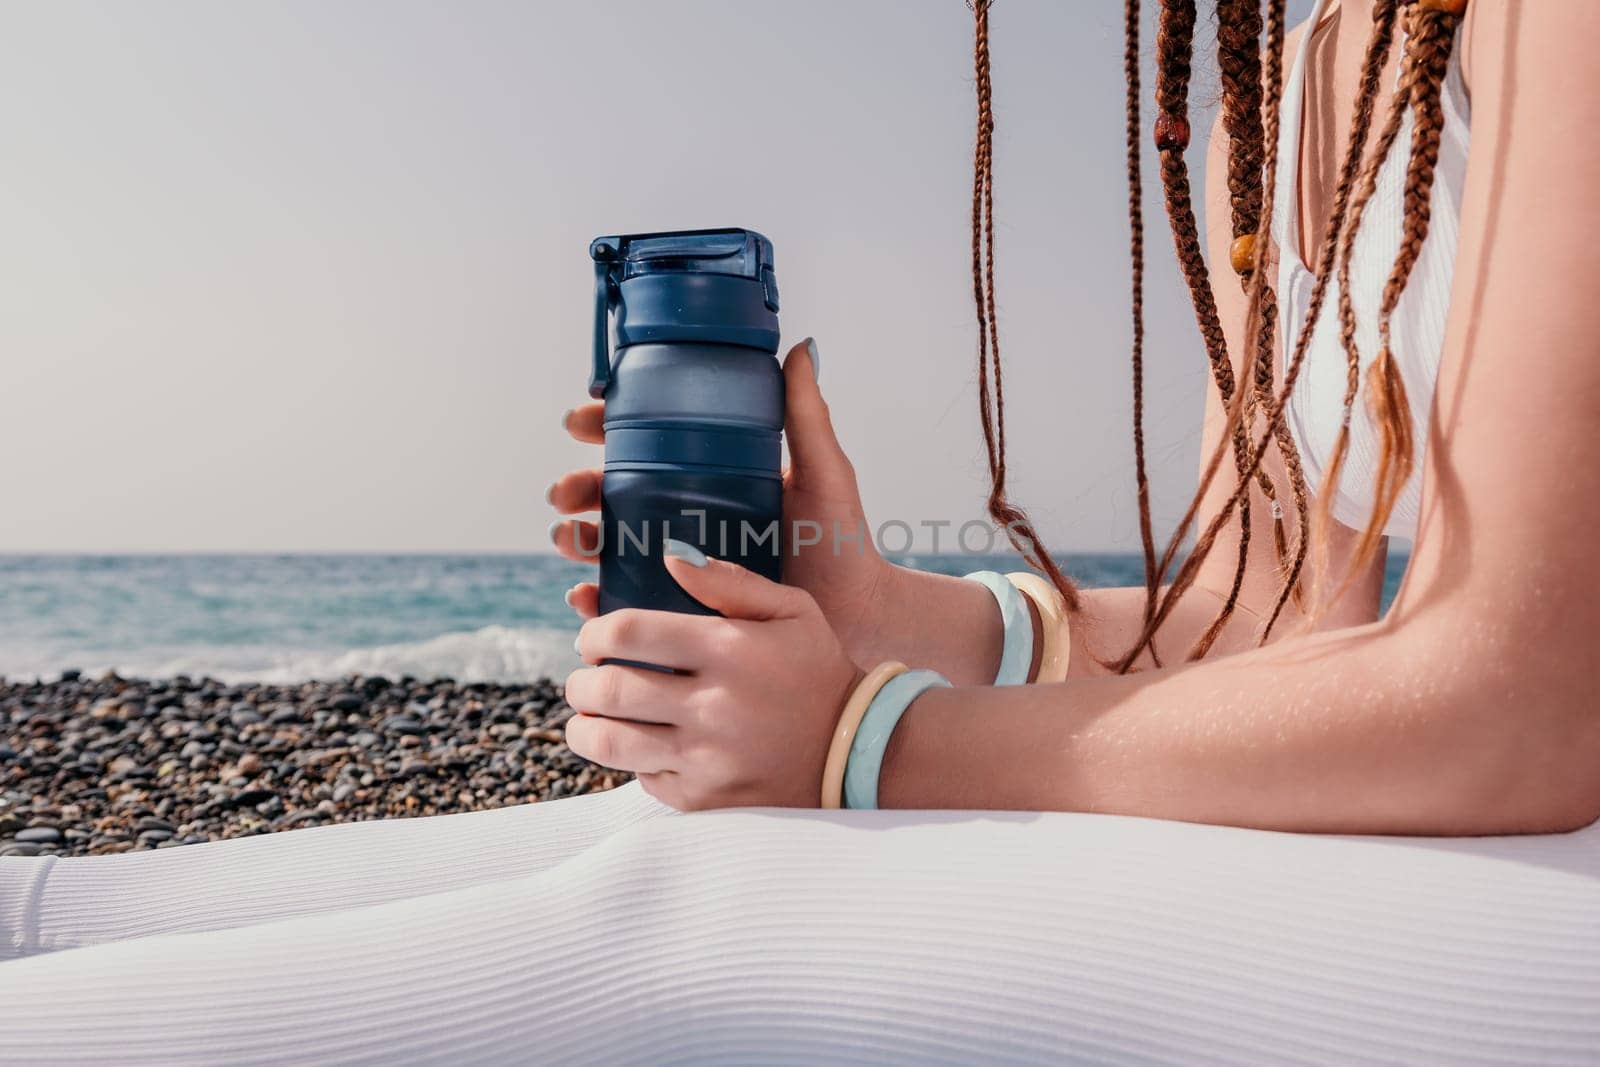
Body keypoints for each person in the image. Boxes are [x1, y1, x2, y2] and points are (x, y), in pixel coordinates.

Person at [3, 1, 1597, 1062]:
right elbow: (1265, 620)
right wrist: (896, 616)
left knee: (733, 903)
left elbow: (1522, 712)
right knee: (666, 838)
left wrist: (869, 741)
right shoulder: (1306, 65)